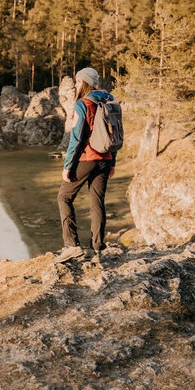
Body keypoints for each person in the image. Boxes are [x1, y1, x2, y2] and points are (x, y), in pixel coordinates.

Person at [54, 67, 116, 264]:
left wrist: (68, 165)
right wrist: (112, 162)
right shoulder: (108, 100)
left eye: (78, 81)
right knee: (97, 203)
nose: (76, 85)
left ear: (86, 83)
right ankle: (96, 250)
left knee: (64, 197)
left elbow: (77, 137)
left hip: (87, 159)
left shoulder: (83, 103)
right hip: (105, 160)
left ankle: (72, 246)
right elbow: (114, 132)